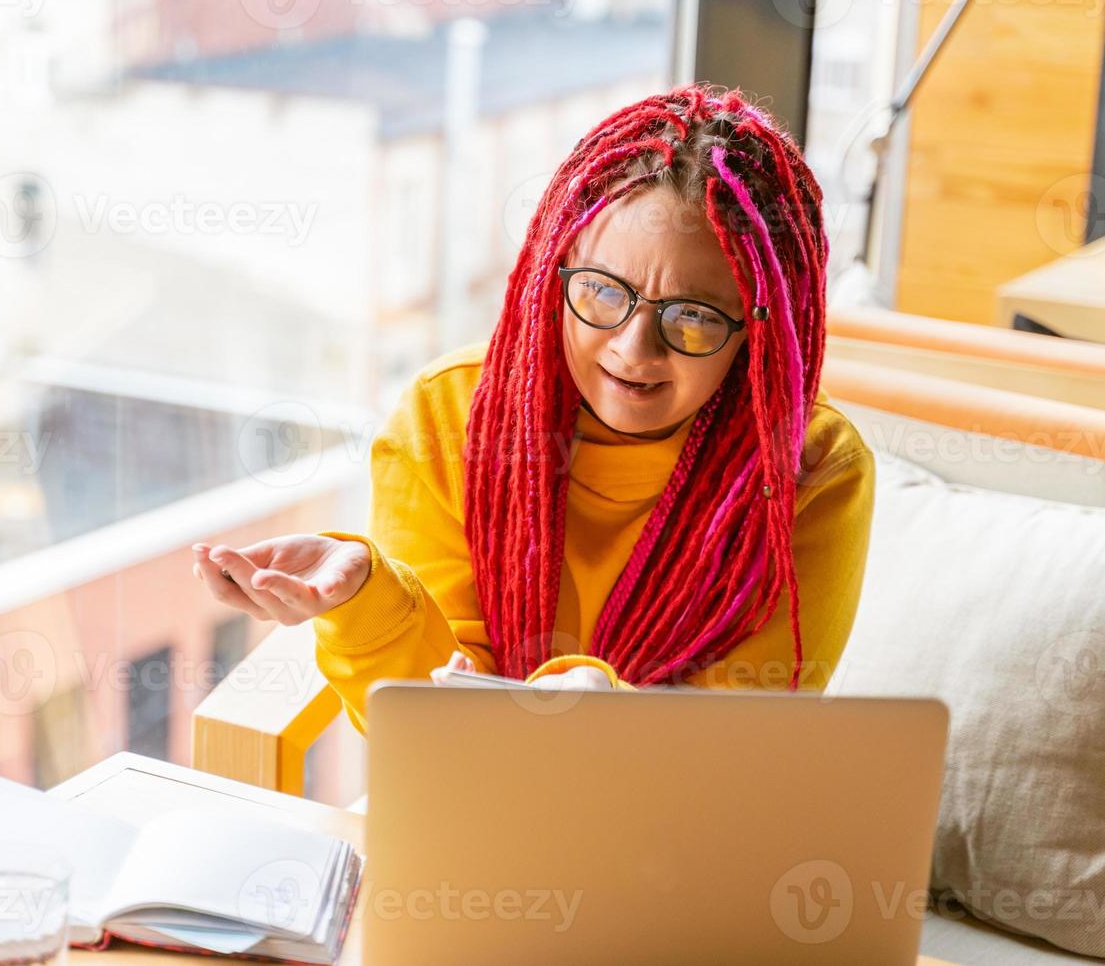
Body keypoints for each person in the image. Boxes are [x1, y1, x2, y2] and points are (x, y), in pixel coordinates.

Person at [193, 82, 876, 734]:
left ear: (755, 327)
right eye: (604, 292)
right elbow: (432, 726)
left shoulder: (813, 468)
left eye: (692, 316)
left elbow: (740, 749)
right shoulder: (445, 415)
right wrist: (363, 600)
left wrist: (605, 717)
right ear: (558, 264)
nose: (634, 349)